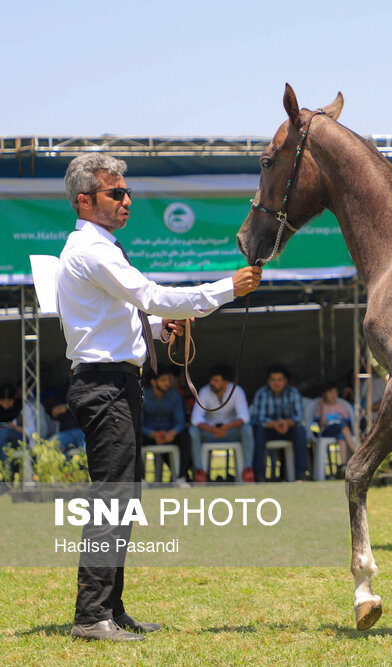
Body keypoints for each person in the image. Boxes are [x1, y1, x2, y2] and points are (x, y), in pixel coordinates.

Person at [55, 153, 261, 641]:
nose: (126, 200)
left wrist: (154, 327)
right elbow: (152, 296)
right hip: (105, 384)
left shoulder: (101, 248)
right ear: (85, 201)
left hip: (113, 382)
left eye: (126, 192)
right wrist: (225, 290)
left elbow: (121, 317)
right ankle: (91, 616)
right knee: (112, 501)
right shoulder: (94, 250)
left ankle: (110, 609)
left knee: (123, 500)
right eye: (115, 193)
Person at [188, 364, 254, 484]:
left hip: (230, 431)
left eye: (217, 381)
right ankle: (199, 471)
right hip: (210, 433)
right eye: (212, 380)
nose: (212, 383)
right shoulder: (204, 391)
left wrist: (228, 427)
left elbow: (244, 416)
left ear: (226, 383)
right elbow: (195, 418)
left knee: (247, 429)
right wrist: (212, 429)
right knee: (193, 431)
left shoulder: (236, 391)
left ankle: (247, 469)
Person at [250, 365, 308, 481]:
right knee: (258, 432)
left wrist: (287, 423)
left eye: (280, 380)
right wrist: (274, 425)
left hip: (289, 429)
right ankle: (259, 476)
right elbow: (258, 418)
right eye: (273, 380)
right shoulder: (261, 394)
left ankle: (301, 474)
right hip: (268, 430)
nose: (276, 383)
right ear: (268, 381)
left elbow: (299, 417)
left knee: (300, 431)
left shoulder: (293, 393)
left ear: (285, 381)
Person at [141, 368, 189, 484]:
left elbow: (180, 422)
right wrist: (152, 434)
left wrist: (172, 433)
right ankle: (141, 480)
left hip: (169, 435)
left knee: (186, 438)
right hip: (149, 435)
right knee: (134, 438)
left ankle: (181, 478)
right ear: (153, 382)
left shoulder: (174, 396)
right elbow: (138, 424)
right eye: (163, 380)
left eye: (168, 380)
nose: (167, 383)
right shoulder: (143, 396)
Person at [314, 384, 356, 471]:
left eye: (335, 392)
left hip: (340, 430)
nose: (333, 395)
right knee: (341, 425)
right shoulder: (320, 407)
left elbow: (346, 422)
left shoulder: (341, 406)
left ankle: (343, 465)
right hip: (326, 431)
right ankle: (356, 452)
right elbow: (321, 424)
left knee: (342, 437)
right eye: (330, 392)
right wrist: (323, 407)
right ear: (324, 394)